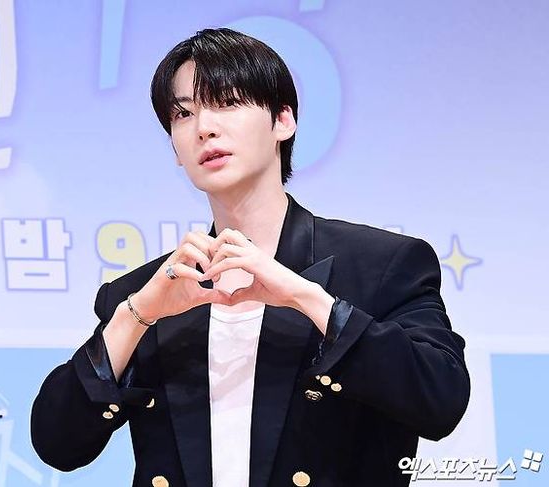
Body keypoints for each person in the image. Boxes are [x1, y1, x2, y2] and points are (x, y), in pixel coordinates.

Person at [31, 28, 470, 487]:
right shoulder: (148, 293)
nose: (204, 128)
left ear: (283, 120)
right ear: (175, 149)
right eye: (183, 114)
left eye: (226, 102)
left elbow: (441, 401)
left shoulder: (382, 265)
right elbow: (57, 444)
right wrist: (136, 315)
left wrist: (306, 298)